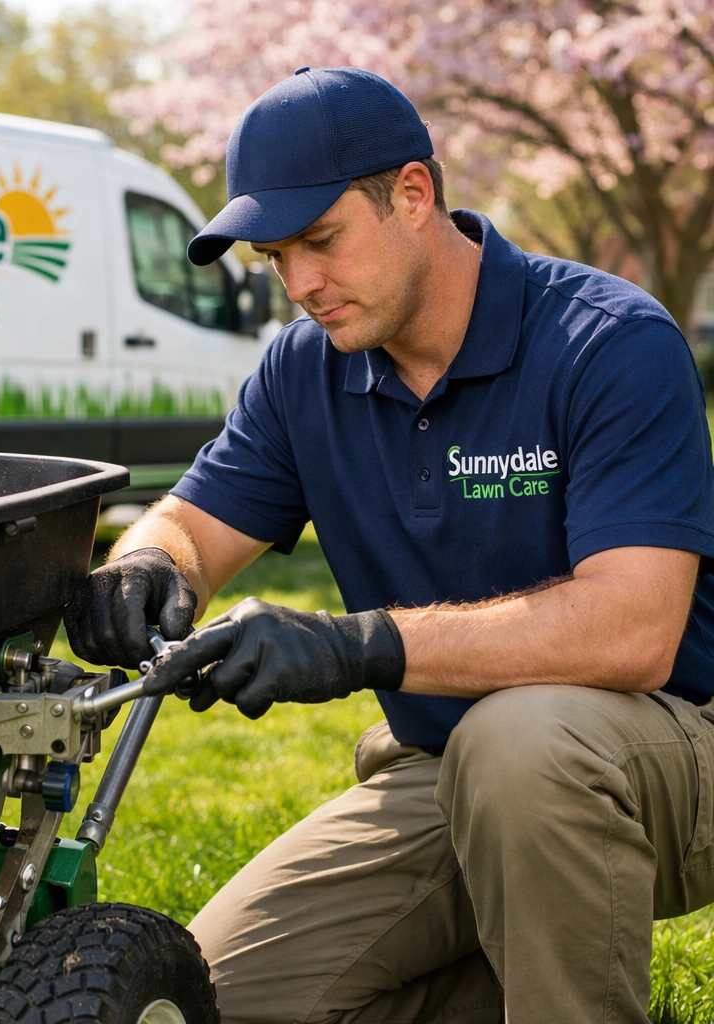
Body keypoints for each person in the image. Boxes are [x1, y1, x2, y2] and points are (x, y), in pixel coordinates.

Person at [63, 66, 714, 1024]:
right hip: (446, 776)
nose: (302, 286)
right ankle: (509, 973)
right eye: (275, 258)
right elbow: (192, 523)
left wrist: (355, 644)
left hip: (666, 754)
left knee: (518, 742)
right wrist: (152, 563)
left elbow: (633, 632)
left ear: (413, 195)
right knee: (218, 1001)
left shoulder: (609, 342)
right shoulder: (305, 369)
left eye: (321, 242)